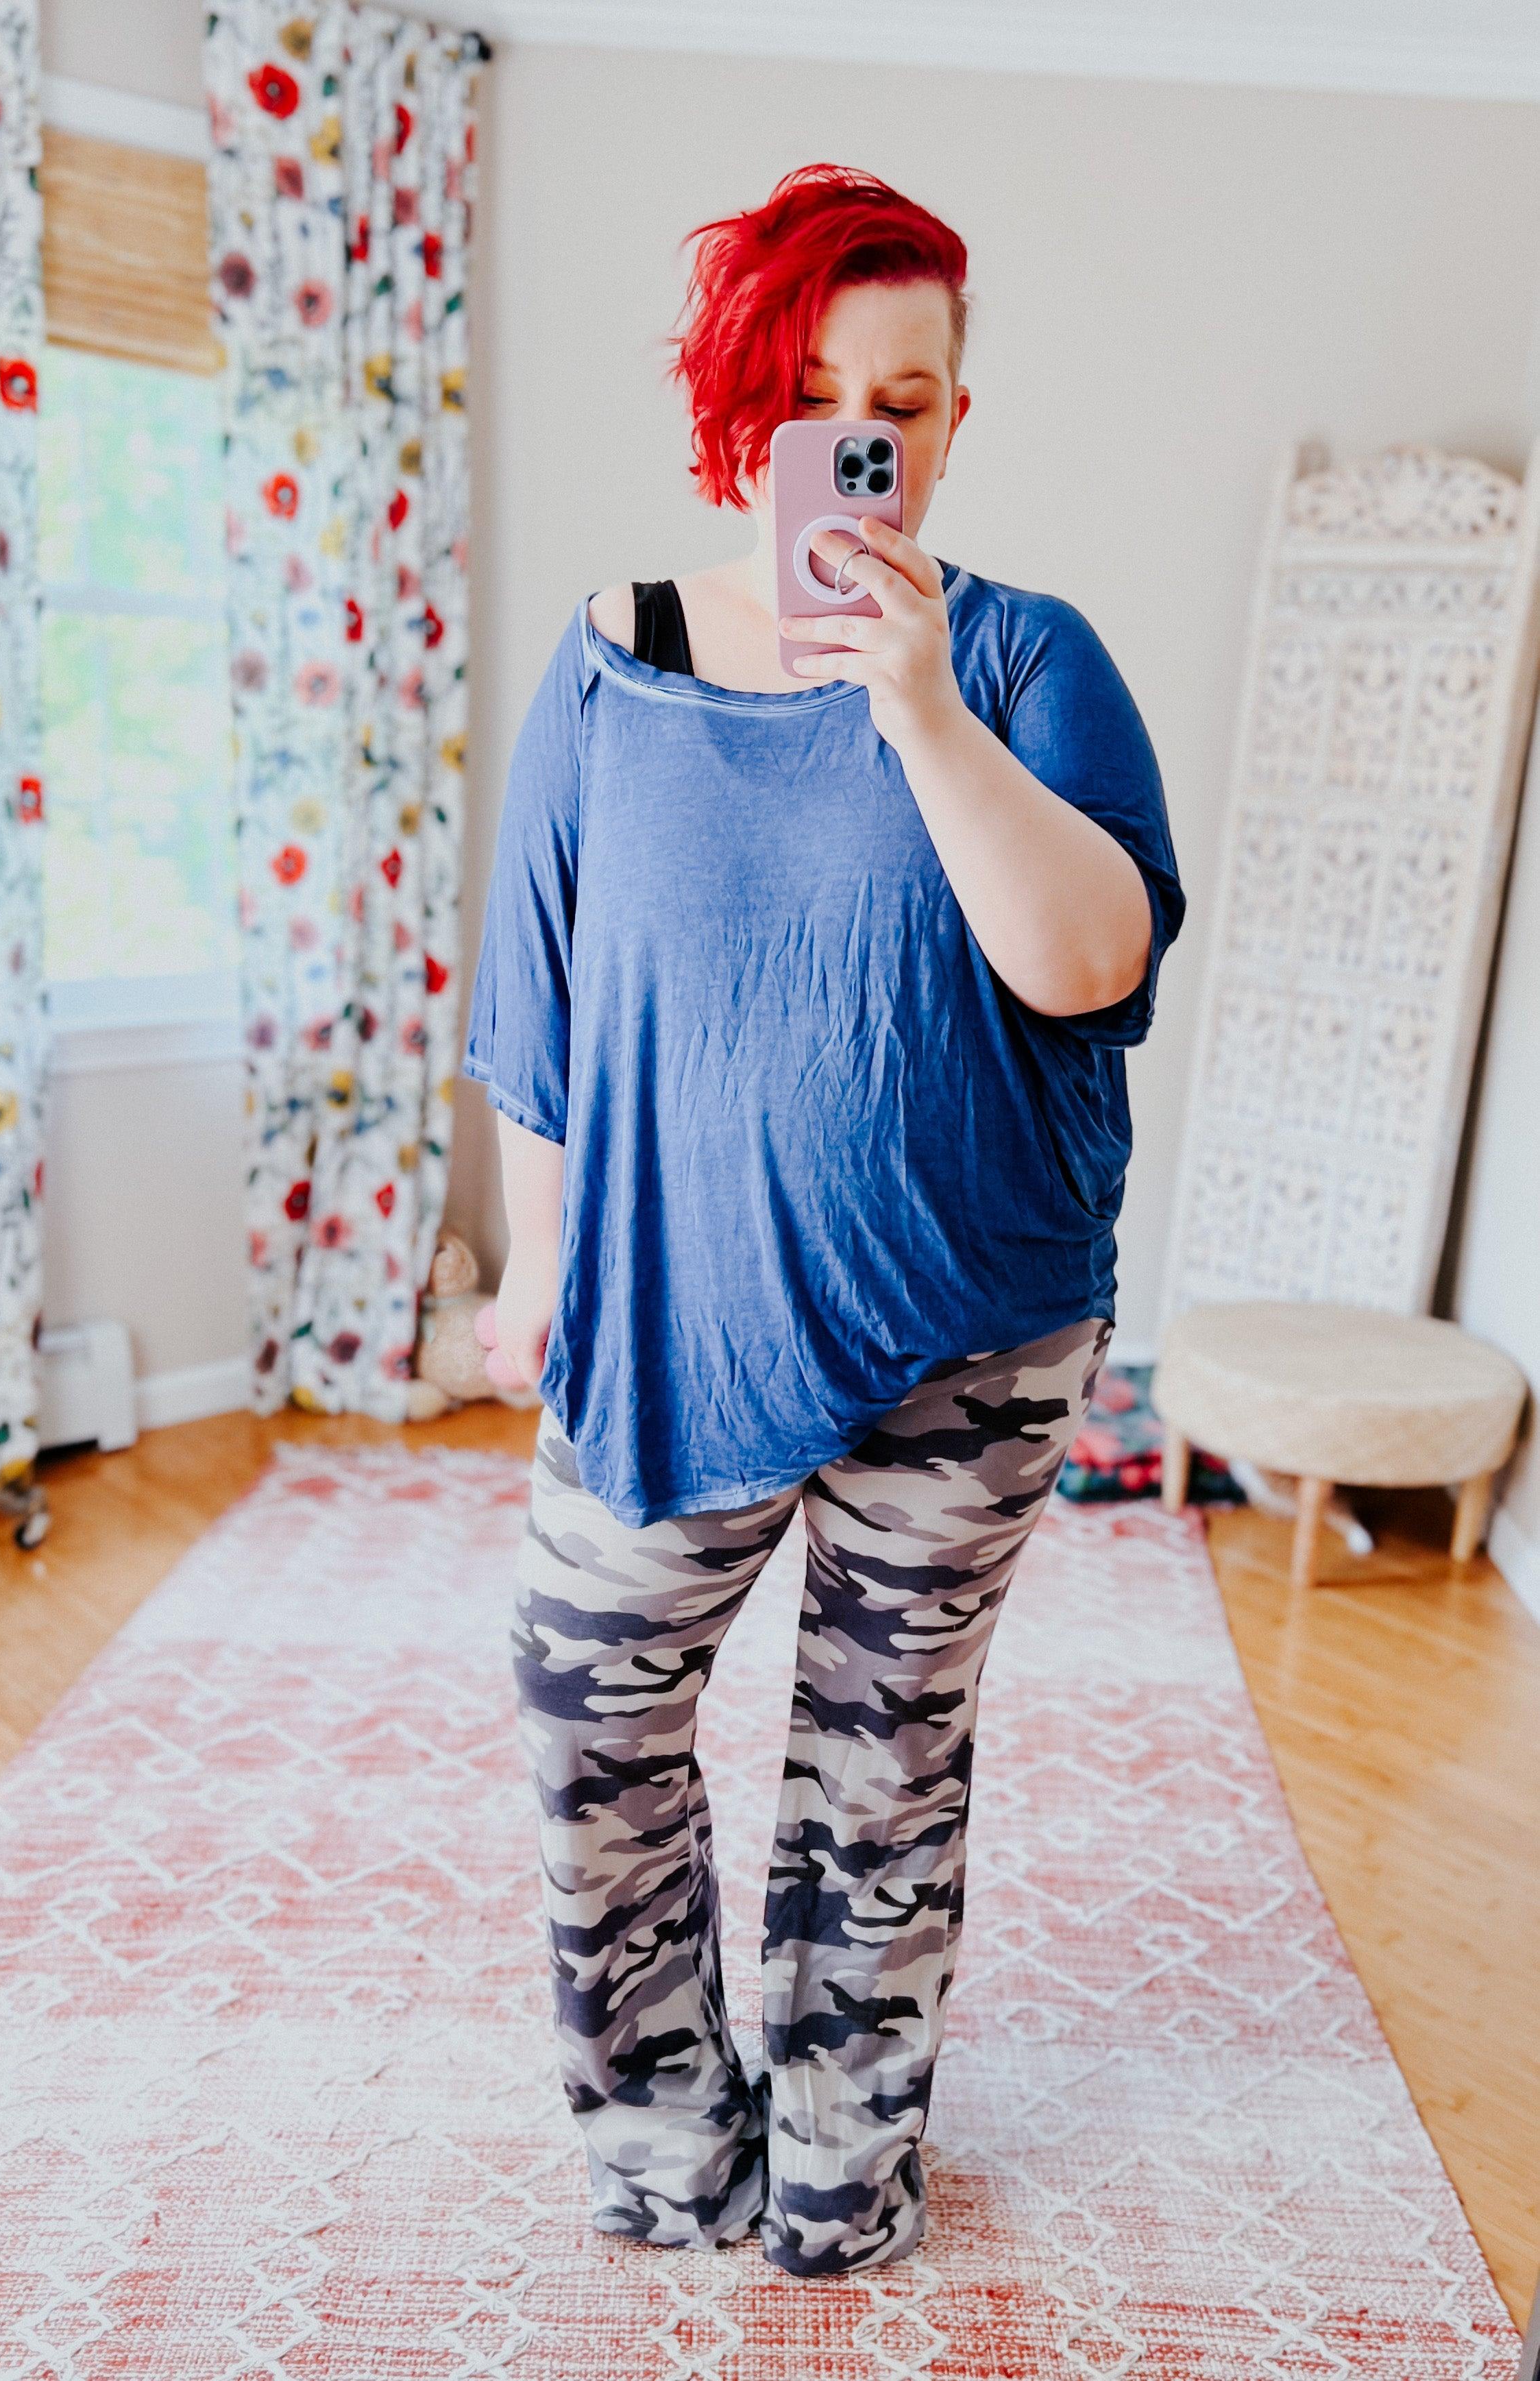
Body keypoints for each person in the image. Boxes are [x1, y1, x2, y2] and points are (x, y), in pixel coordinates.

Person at [463, 163, 1182, 2278]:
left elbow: (1093, 962)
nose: (864, 433)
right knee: (587, 1701)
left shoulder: (1028, 660)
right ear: (744, 401)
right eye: (818, 388)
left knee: (879, 1765)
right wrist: (534, 1250)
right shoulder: (612, 659)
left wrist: (921, 708)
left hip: (973, 1329)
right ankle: (663, 2133)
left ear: (954, 417)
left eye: (911, 396)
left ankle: (839, 2175)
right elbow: (541, 992)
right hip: (676, 1309)